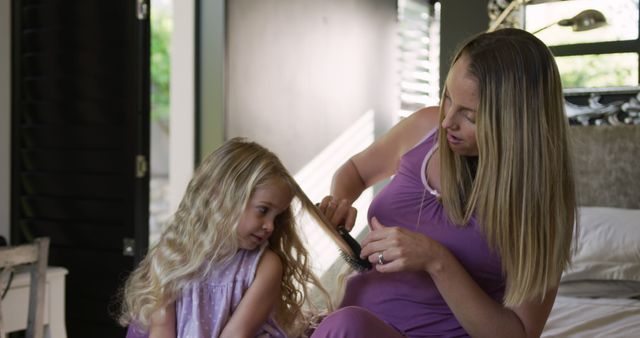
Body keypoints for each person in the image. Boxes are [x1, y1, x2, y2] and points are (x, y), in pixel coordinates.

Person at [312, 28, 576, 338]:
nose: (447, 120)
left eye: (470, 115)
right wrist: (340, 203)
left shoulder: (540, 203)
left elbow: (518, 333)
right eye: (448, 97)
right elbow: (354, 171)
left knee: (347, 326)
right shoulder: (425, 128)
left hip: (361, 329)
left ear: (514, 124)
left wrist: (436, 260)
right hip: (350, 324)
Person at [119, 137, 331, 338]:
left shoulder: (264, 266)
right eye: (263, 210)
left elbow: (235, 334)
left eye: (277, 216)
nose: (270, 226)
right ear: (221, 198)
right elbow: (163, 331)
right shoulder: (172, 256)